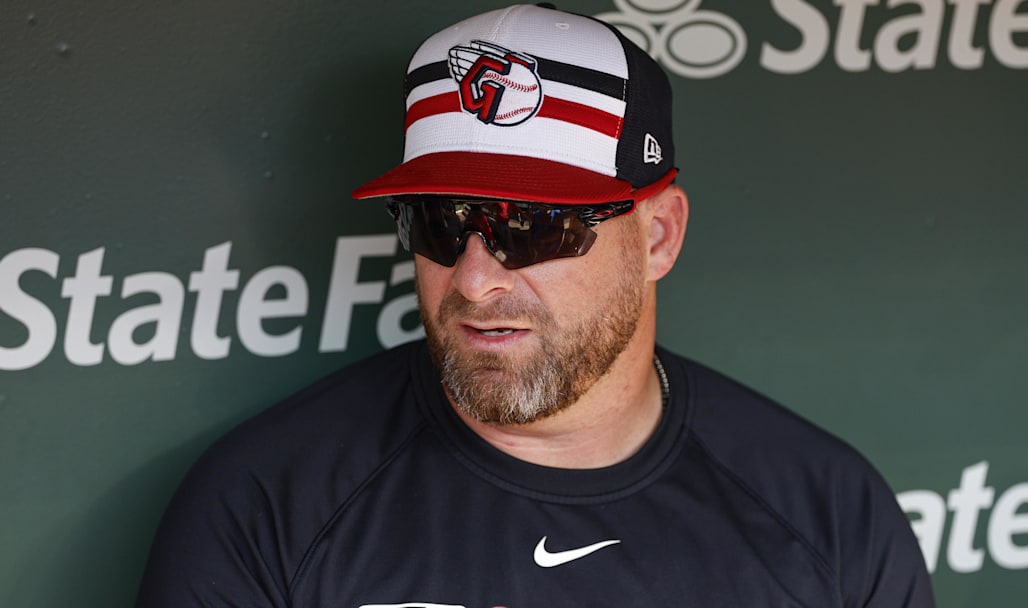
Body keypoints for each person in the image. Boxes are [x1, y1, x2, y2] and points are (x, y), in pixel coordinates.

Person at [136, 4, 935, 606]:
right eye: (440, 222)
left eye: (535, 226)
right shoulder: (266, 502)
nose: (476, 278)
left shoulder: (828, 513)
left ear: (658, 235)